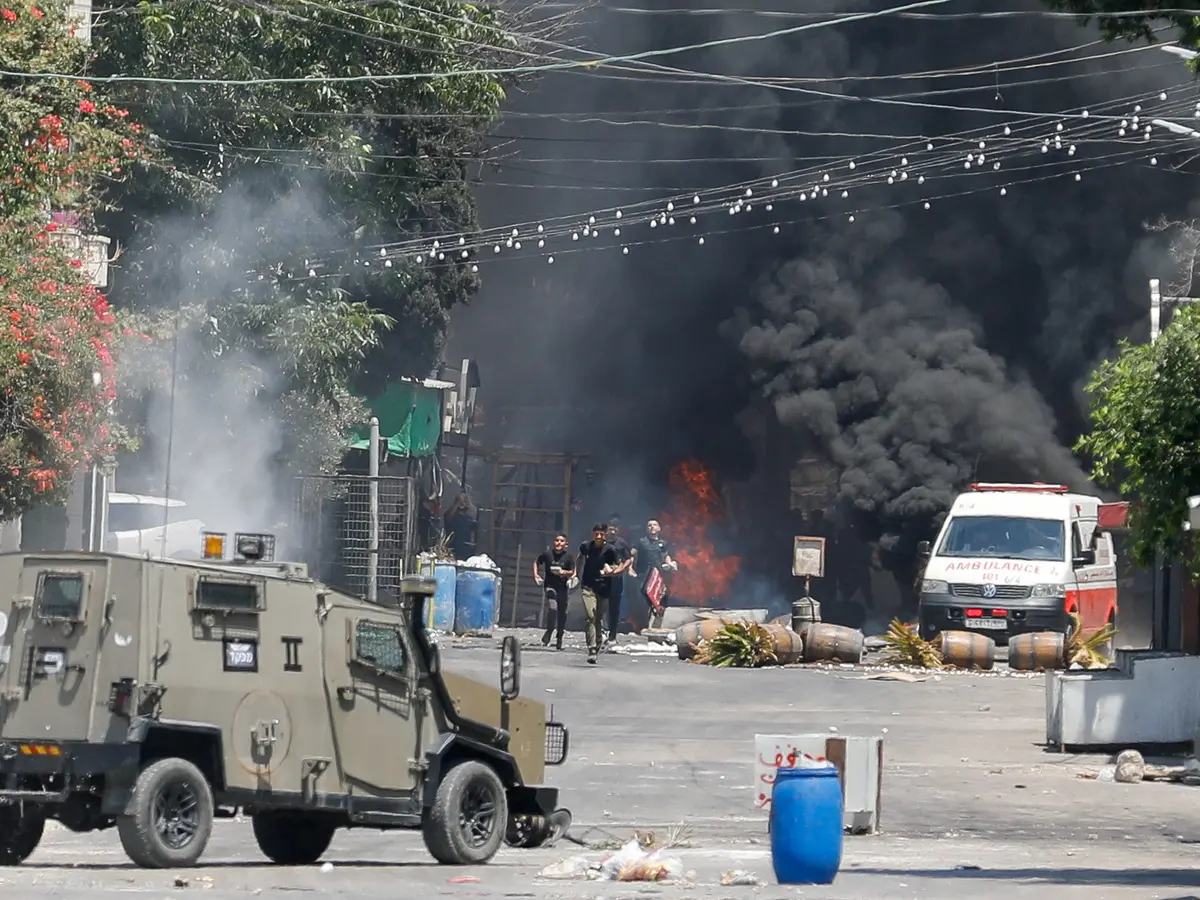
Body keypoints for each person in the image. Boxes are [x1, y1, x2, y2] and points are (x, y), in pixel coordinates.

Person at [577, 523, 619, 664]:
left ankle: (598, 640)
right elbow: (580, 559)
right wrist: (575, 575)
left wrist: (610, 570)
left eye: (602, 534)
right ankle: (592, 648)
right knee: (590, 616)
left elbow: (617, 565)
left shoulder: (610, 550)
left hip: (603, 588)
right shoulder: (586, 546)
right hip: (588, 586)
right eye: (596, 534)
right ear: (592, 534)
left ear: (605, 535)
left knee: (598, 618)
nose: (599, 536)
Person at [631, 518, 677, 630]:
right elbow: (631, 555)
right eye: (650, 525)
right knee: (644, 599)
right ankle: (641, 626)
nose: (652, 527)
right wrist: (630, 569)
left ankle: (657, 625)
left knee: (660, 598)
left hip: (658, 576)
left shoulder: (663, 544)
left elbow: (666, 556)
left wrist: (670, 564)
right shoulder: (641, 542)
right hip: (643, 574)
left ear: (659, 528)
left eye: (655, 525)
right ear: (647, 529)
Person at [533, 533, 575, 650]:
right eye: (557, 540)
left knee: (562, 613)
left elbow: (573, 571)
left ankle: (559, 637)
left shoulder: (568, 557)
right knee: (553, 607)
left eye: (561, 541)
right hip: (550, 586)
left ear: (565, 544)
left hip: (562, 588)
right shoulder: (547, 554)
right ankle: (549, 630)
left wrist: (564, 573)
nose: (559, 543)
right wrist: (536, 575)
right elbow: (536, 562)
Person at [604, 516, 633, 647]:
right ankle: (601, 632)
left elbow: (628, 558)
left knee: (614, 607)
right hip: (602, 578)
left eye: (615, 529)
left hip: (616, 579)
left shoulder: (621, 543)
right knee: (600, 606)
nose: (613, 532)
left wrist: (621, 568)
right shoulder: (601, 542)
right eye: (610, 529)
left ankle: (612, 634)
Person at [443, 492, 477, 560]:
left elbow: (473, 533)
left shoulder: (469, 519)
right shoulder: (451, 517)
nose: (462, 503)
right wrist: (457, 502)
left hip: (466, 551)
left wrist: (469, 503)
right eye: (460, 500)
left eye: (464, 501)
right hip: (452, 549)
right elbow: (448, 516)